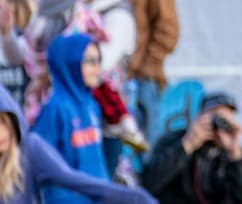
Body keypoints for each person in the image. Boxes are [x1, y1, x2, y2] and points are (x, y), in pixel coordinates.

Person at [86, 0, 180, 143]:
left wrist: (145, 67)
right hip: (108, 85)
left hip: (142, 81)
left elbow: (169, 28)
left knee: (145, 152)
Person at [0, 84, 155, 204]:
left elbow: (79, 182)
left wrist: (139, 198)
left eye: (3, 122)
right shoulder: (56, 108)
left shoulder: (29, 149)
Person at [76, 0, 146, 178]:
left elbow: (103, 60)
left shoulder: (118, 15)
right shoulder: (87, 13)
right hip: (89, 109)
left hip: (108, 114)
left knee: (107, 173)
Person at [31, 34, 109, 204]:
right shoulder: (55, 108)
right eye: (90, 61)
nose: (97, 68)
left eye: (99, 61)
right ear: (69, 63)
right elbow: (38, 160)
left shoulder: (91, 105)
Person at [141, 92, 242, 204]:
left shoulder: (234, 154)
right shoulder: (174, 140)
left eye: (225, 119)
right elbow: (149, 183)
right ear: (200, 116)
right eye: (214, 116)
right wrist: (187, 145)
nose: (219, 124)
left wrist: (235, 154)